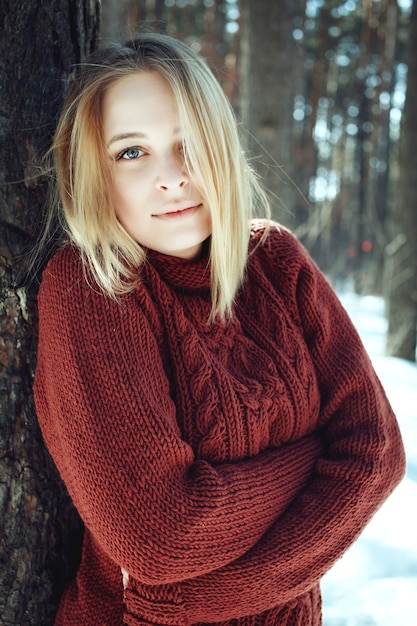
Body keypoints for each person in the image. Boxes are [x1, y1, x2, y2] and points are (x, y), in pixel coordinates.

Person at [33, 32, 406, 626]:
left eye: (190, 143)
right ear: (93, 174)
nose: (172, 177)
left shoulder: (276, 262)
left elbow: (379, 454)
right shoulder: (92, 290)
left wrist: (195, 598)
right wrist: (318, 455)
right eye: (132, 152)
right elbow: (161, 535)